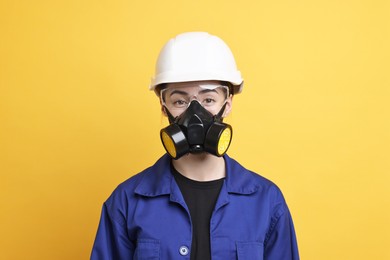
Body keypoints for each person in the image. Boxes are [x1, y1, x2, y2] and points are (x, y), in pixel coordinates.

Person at [91, 32, 299, 260]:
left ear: (227, 104)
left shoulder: (266, 202)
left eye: (208, 99)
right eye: (180, 101)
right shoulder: (127, 201)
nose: (195, 113)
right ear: (164, 107)